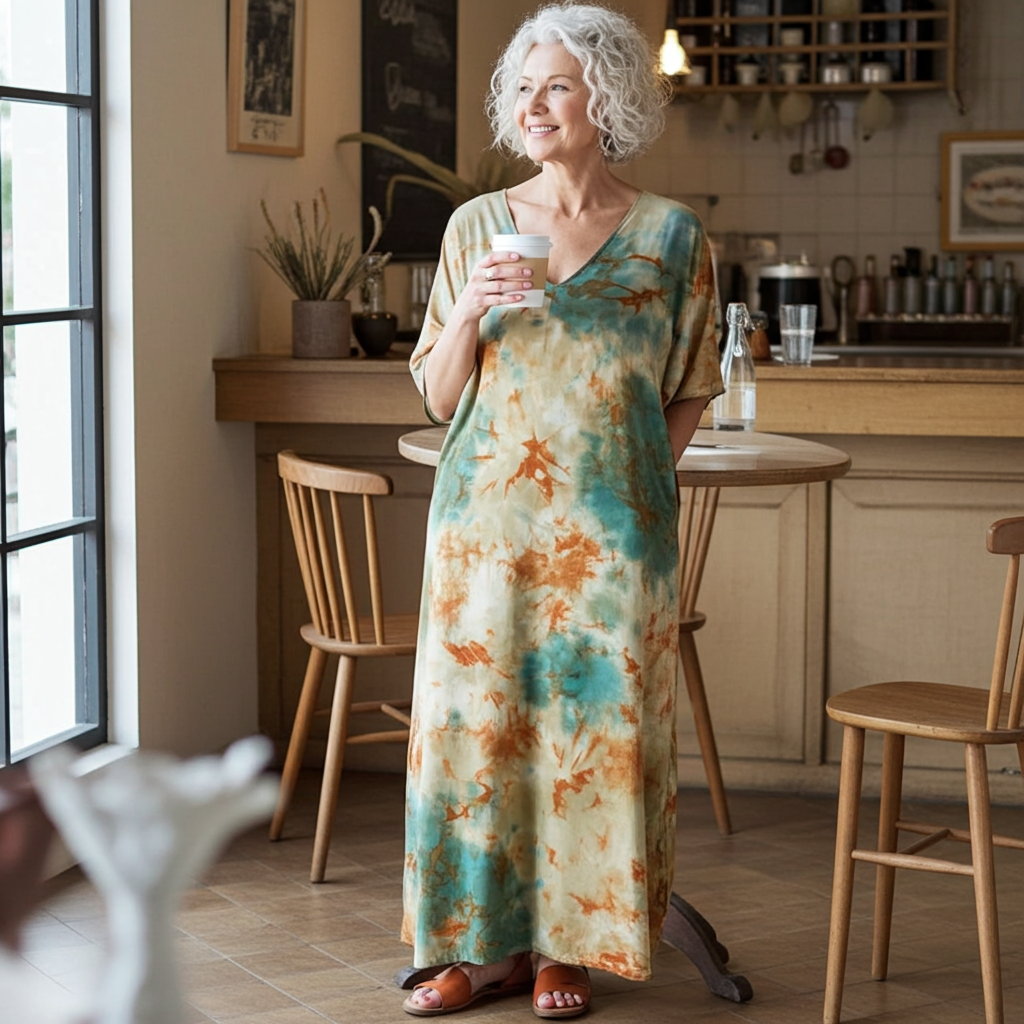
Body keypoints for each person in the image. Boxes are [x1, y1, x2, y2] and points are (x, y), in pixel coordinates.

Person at [401, 3, 724, 1017]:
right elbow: (439, 394)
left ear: (607, 97)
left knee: (594, 734)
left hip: (611, 541)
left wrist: (640, 491)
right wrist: (467, 310)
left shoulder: (672, 237)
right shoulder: (475, 228)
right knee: (476, 734)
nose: (534, 106)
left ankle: (564, 948)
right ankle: (472, 947)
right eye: (522, 89)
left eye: (556, 86)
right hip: (481, 535)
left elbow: (690, 387)